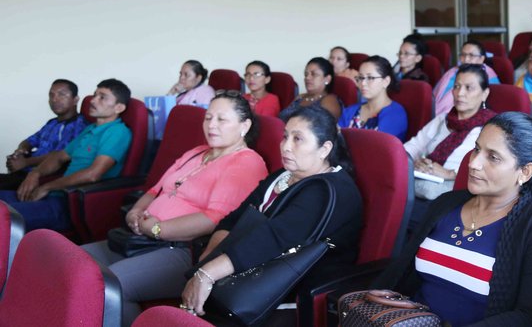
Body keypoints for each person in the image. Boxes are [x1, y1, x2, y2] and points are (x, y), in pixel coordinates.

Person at [370, 112, 532, 326]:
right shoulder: (446, 204)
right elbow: (399, 277)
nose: (474, 163)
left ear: (525, 172)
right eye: (477, 149)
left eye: (493, 157)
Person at [82, 92, 268, 325]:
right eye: (208, 117)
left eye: (222, 119)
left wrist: (158, 229)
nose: (211, 125)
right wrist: (135, 212)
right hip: (141, 238)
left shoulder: (246, 162)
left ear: (245, 125)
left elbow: (213, 220)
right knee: (77, 260)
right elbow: (154, 190)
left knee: (113, 283)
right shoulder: (197, 152)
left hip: (183, 250)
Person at [180, 105, 363, 319]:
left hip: (286, 290)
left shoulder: (328, 190)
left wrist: (207, 273)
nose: (285, 146)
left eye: (298, 139)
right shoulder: (283, 175)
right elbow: (233, 220)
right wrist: (207, 262)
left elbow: (272, 239)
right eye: (285, 137)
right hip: (245, 270)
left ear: (324, 149)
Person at [0, 79, 133, 231]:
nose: (93, 100)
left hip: (69, 204)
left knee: (3, 218)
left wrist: (47, 187)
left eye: (102, 97)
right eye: (95, 95)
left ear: (119, 107)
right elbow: (59, 156)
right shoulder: (90, 130)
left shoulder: (117, 132)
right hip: (53, 195)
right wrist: (35, 174)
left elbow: (93, 174)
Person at [407, 64, 495, 202]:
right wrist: (415, 163)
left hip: (462, 195)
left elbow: (492, 171)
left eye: (469, 88)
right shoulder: (443, 120)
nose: (460, 93)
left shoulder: (491, 128)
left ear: (485, 93)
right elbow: (411, 148)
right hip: (422, 185)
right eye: (456, 86)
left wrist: (451, 174)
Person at [3, 79, 87, 190]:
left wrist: (26, 162)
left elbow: (61, 156)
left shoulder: (81, 126)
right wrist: (20, 152)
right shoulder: (52, 123)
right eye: (51, 95)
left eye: (61, 95)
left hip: (42, 178)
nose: (54, 99)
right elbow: (29, 141)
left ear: (75, 100)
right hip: (25, 172)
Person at [338, 55, 408, 140]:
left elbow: (381, 148)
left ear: (386, 81)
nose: (363, 83)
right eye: (361, 77)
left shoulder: (395, 114)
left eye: (370, 78)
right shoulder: (350, 111)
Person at [432, 40, 500, 116]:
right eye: (463, 55)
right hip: (438, 116)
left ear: (481, 59)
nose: (466, 59)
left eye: (471, 55)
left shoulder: (488, 75)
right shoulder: (452, 71)